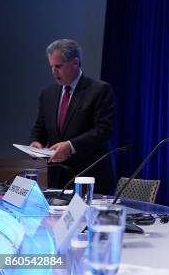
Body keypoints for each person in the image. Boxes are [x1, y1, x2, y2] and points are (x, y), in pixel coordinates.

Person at [30, 39, 115, 194]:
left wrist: (70, 146)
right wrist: (35, 142)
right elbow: (39, 128)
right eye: (51, 66)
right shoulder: (48, 94)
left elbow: (104, 130)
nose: (53, 72)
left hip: (89, 179)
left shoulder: (99, 90)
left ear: (75, 63)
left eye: (58, 66)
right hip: (57, 179)